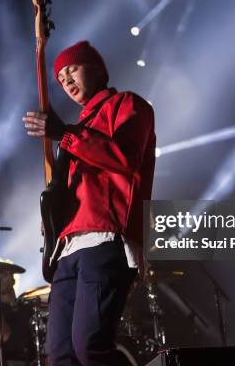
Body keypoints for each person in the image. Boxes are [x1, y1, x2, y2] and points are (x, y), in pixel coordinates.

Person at [22, 40, 156, 365]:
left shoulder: (128, 104)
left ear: (97, 69)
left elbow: (125, 157)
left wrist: (66, 135)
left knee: (90, 347)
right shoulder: (75, 131)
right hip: (68, 248)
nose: (66, 79)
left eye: (72, 69)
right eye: (60, 77)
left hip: (106, 239)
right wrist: (54, 215)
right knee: (60, 356)